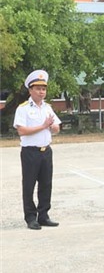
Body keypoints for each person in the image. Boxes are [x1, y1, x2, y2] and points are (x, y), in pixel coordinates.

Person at [13, 70, 61, 230]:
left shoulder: (48, 108)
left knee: (46, 184)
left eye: (44, 89)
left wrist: (53, 127)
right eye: (38, 89)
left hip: (46, 151)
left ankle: (44, 215)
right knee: (29, 185)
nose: (42, 92)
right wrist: (43, 126)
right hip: (30, 153)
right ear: (30, 90)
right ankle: (30, 217)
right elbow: (21, 131)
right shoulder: (23, 108)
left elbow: (56, 128)